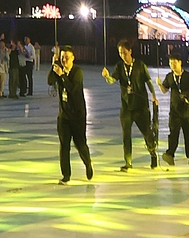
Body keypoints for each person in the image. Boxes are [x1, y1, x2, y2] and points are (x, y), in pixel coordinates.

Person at [102, 39, 158, 169]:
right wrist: (107, 76)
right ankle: (128, 162)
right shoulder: (119, 67)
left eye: (124, 52)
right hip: (126, 106)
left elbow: (148, 81)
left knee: (147, 133)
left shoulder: (140, 65)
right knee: (126, 134)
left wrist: (154, 96)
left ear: (130, 51)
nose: (122, 55)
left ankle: (153, 154)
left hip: (141, 106)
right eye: (120, 53)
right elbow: (112, 80)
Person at [48, 45, 92, 184]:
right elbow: (50, 81)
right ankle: (66, 175)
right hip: (64, 116)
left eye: (67, 57)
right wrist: (53, 65)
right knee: (64, 145)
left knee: (80, 144)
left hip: (78, 115)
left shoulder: (77, 72)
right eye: (62, 57)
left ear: (73, 58)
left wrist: (62, 75)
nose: (64, 60)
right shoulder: (59, 70)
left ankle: (88, 163)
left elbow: (73, 90)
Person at [160, 52, 189, 165]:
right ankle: (170, 154)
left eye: (174, 63)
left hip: (188, 112)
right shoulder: (169, 77)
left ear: (180, 63)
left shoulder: (188, 76)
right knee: (173, 134)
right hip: (175, 111)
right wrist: (159, 85)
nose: (172, 65)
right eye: (170, 63)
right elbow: (164, 90)